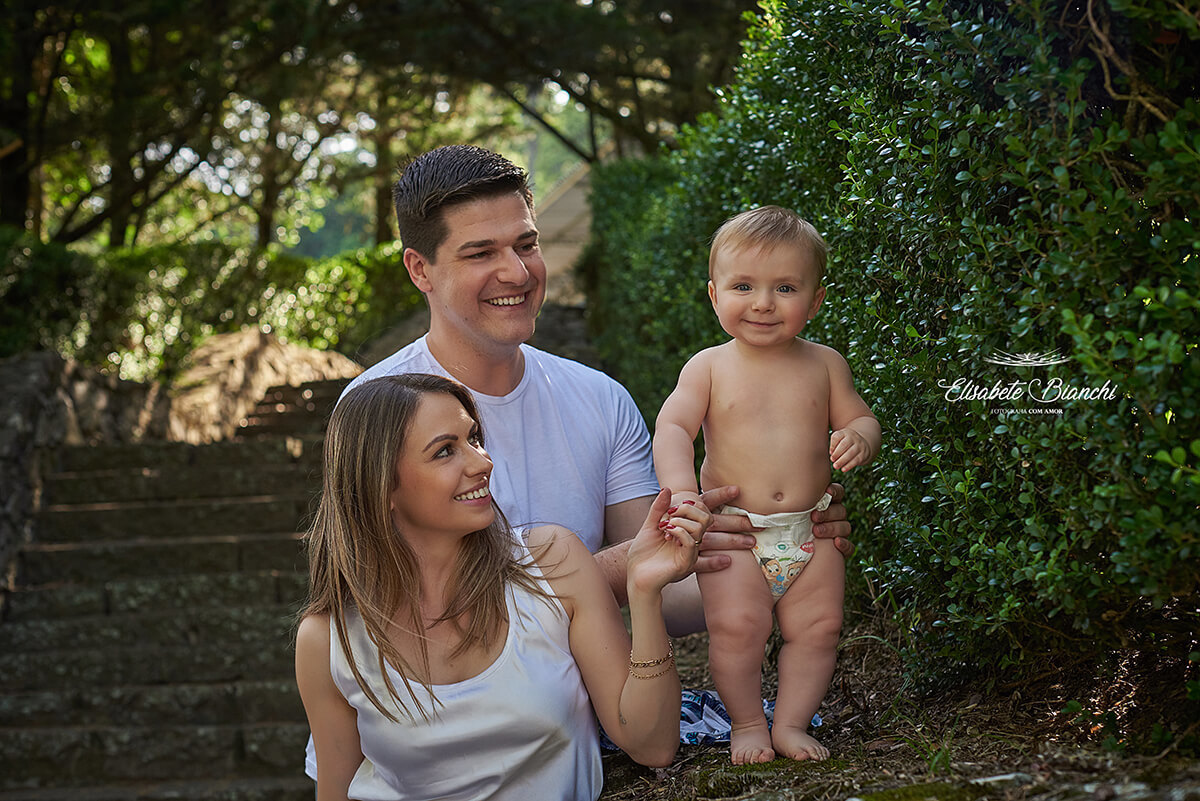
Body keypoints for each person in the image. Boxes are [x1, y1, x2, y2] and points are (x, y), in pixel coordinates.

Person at [341, 145, 854, 635]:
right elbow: (401, 610)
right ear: (419, 269)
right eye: (480, 253)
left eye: (527, 244)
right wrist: (625, 562)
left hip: (587, 717)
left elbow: (668, 596)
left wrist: (775, 550)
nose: (517, 273)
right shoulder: (375, 408)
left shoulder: (601, 400)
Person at [296, 373, 712, 800]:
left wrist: (643, 593)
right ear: (381, 486)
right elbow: (336, 790)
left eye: (474, 439)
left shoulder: (551, 563)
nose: (483, 462)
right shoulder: (328, 638)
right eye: (445, 451)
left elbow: (653, 744)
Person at [653, 206, 882, 765]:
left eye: (785, 287)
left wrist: (857, 437)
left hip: (811, 528)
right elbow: (673, 426)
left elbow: (863, 418)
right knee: (736, 629)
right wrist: (684, 492)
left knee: (821, 627)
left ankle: (792, 723)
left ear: (816, 300)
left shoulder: (826, 365)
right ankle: (749, 724)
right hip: (739, 534)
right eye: (743, 286)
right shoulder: (707, 367)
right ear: (714, 296)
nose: (762, 303)